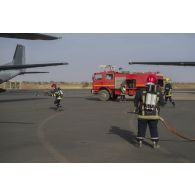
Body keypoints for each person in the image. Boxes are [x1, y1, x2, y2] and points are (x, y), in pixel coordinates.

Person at [134, 74, 165, 148]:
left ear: (147, 81)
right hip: (154, 115)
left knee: (141, 128)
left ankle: (140, 142)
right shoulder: (158, 91)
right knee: (153, 128)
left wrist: (137, 108)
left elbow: (136, 100)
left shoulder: (141, 90)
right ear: (155, 82)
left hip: (142, 115)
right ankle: (155, 143)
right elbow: (163, 103)